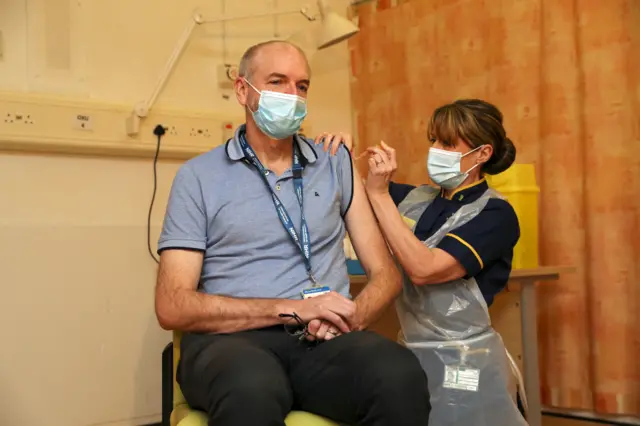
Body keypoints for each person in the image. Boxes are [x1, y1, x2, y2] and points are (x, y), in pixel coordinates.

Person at [154, 40, 431, 426]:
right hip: (230, 343)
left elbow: (386, 276)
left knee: (397, 374)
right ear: (242, 90)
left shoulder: (334, 163)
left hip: (321, 343)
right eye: (278, 81)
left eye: (301, 86)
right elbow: (172, 306)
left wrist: (347, 319)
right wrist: (292, 308)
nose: (292, 96)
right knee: (251, 389)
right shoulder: (198, 177)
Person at [319, 99, 528, 426]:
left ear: (483, 154)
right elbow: (350, 196)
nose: (436, 149)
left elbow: (424, 269)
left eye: (447, 143)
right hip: (416, 354)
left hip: (466, 365)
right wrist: (339, 156)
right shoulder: (416, 198)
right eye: (434, 140)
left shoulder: (494, 214)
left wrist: (379, 195)